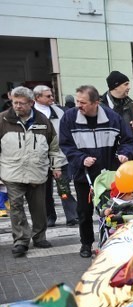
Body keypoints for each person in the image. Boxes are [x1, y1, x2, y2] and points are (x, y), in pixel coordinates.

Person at [59, 85, 133, 258]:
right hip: (83, 175)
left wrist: (124, 153)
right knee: (84, 212)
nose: (79, 105)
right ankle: (86, 244)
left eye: (83, 102)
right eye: (77, 101)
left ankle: (110, 242)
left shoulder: (112, 118)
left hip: (109, 174)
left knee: (111, 211)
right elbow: (65, 144)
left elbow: (128, 140)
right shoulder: (69, 118)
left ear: (96, 102)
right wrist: (80, 158)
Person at [0, 86, 66, 257]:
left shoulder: (43, 121)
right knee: (16, 207)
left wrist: (56, 166)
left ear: (31, 103)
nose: (17, 106)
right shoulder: (3, 120)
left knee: (39, 208)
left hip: (37, 172)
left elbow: (53, 146)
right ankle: (21, 240)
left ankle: (39, 236)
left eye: (22, 103)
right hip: (12, 172)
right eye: (15, 102)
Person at [32, 84, 79, 226]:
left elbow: (67, 130)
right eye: (48, 96)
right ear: (37, 97)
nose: (52, 98)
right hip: (39, 158)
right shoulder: (30, 113)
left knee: (63, 188)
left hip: (60, 156)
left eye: (52, 95)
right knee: (44, 191)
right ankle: (49, 217)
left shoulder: (59, 111)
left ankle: (72, 215)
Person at [101, 71, 133, 136]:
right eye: (126, 84)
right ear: (116, 86)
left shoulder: (129, 104)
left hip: (127, 145)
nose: (129, 87)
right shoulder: (100, 105)